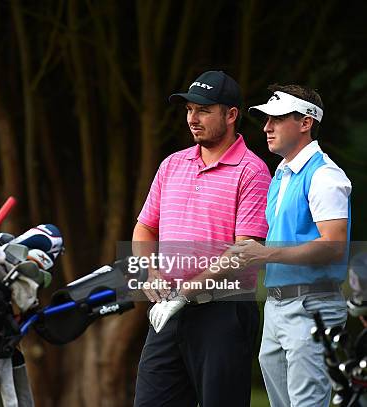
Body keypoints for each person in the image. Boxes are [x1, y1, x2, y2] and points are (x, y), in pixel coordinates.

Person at [132, 70, 271, 407]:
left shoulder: (252, 171)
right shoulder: (172, 165)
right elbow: (145, 228)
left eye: (204, 110)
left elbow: (245, 251)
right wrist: (150, 272)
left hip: (222, 313)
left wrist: (188, 289)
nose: (193, 119)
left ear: (231, 115)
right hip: (169, 309)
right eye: (189, 110)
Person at [232, 85, 352, 406]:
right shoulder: (281, 175)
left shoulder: (325, 176)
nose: (267, 127)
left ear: (305, 122)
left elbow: (334, 246)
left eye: (277, 118)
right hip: (276, 307)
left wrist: (265, 253)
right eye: (266, 119)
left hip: (312, 307)